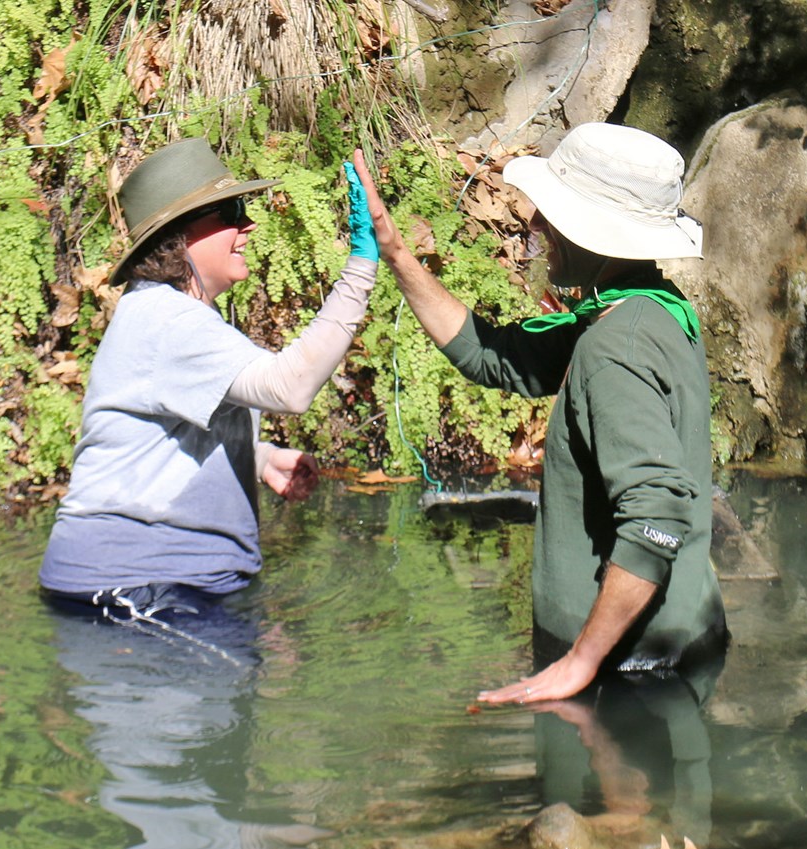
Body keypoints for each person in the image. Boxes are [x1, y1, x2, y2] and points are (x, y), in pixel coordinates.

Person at [352, 122, 727, 703]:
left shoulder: (613, 349)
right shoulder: (650, 309)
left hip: (626, 676)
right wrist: (396, 253)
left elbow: (656, 517)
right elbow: (492, 357)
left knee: (616, 802)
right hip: (678, 643)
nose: (534, 226)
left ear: (591, 234)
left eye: (549, 214)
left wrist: (581, 661)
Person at [40, 138, 378, 617]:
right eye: (229, 213)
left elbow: (162, 438)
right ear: (178, 239)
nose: (248, 225)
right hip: (133, 590)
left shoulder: (174, 315)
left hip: (149, 589)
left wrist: (256, 458)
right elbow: (291, 386)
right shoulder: (168, 320)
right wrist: (363, 263)